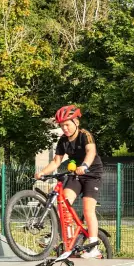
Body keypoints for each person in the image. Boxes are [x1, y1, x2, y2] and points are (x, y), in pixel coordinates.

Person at [35, 105, 103, 257]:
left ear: (76, 122)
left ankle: (94, 247)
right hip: (76, 175)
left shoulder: (85, 135)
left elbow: (91, 152)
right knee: (63, 204)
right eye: (61, 125)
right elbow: (56, 161)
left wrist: (84, 166)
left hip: (92, 174)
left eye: (67, 124)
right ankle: (70, 238)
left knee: (87, 209)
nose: (64, 128)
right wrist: (42, 173)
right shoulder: (63, 140)